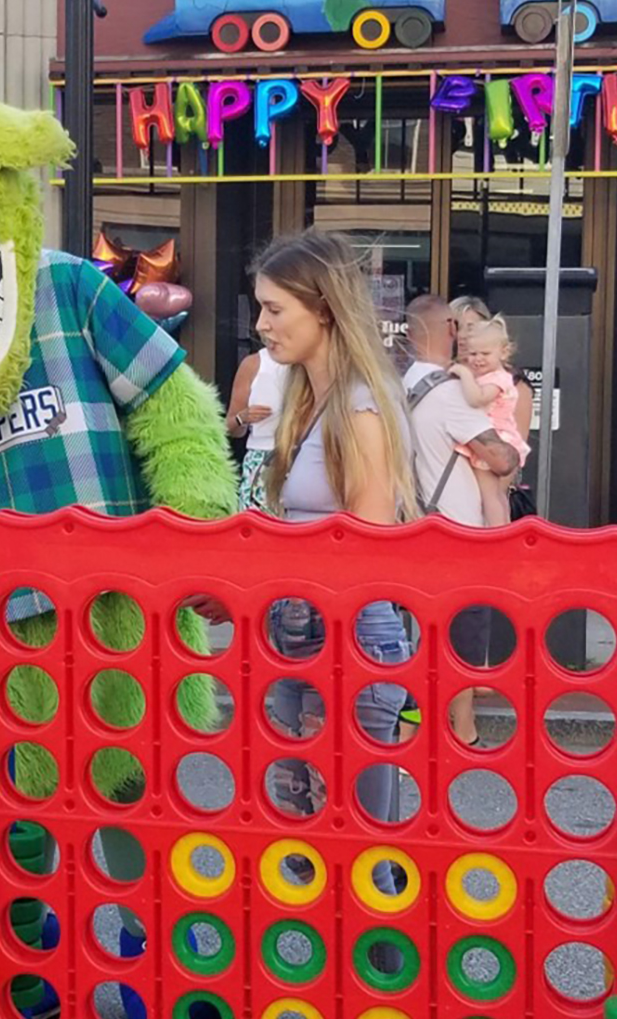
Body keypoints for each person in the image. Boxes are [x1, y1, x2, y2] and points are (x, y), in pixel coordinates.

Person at [252, 230, 418, 904]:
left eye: (274, 310)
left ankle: (388, 997)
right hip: (297, 630)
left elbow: (369, 545)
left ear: (322, 310)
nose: (261, 325)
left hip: (350, 636)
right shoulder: (304, 398)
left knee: (359, 854)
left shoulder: (358, 405)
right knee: (304, 848)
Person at [404, 295, 520, 746]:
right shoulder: (450, 392)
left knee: (434, 632)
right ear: (450, 329)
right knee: (465, 635)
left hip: (419, 528)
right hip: (460, 535)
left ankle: (450, 728)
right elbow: (502, 458)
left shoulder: (400, 386)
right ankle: (430, 728)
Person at [450, 315, 531, 526]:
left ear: (503, 352)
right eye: (472, 354)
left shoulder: (496, 379)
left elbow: (477, 399)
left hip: (494, 439)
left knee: (488, 496)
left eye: (485, 353)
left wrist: (462, 373)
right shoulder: (495, 376)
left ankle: (496, 533)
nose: (478, 359)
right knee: (497, 495)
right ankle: (504, 529)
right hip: (497, 437)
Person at [225, 345, 289, 510]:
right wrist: (243, 418)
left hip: (298, 454)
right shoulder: (253, 364)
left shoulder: (307, 362)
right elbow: (229, 427)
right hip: (260, 456)